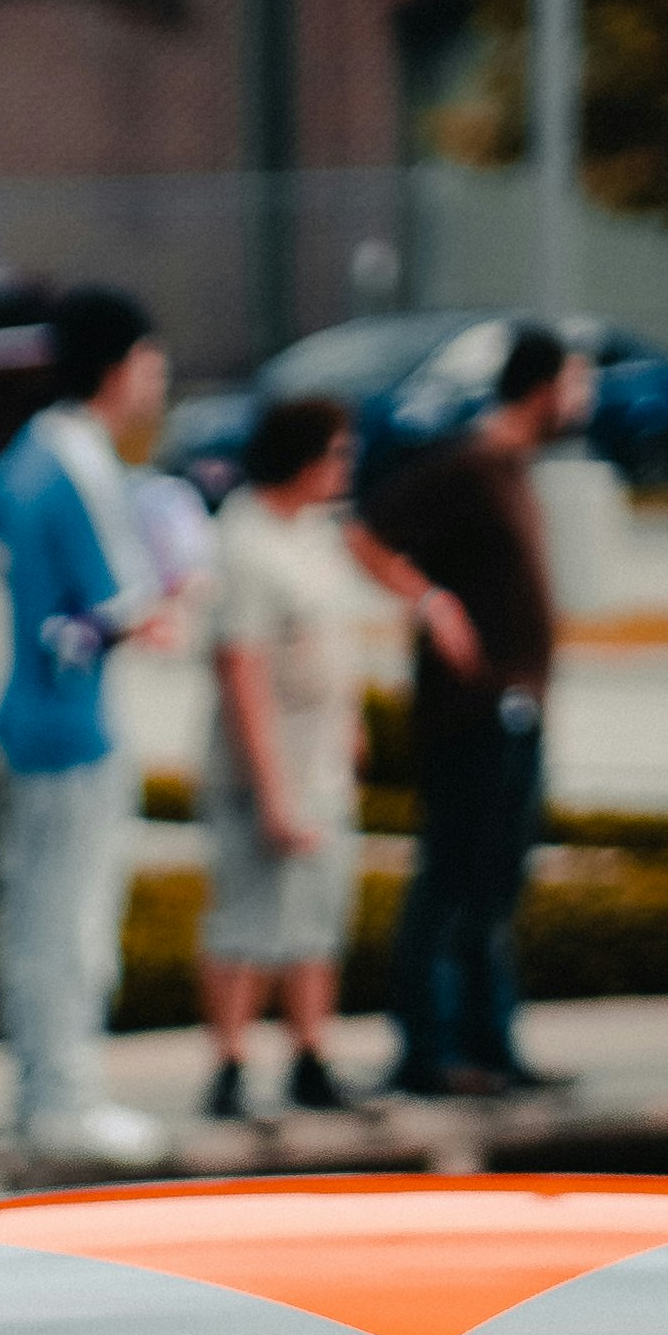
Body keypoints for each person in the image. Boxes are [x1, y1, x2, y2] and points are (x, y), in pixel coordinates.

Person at [0, 283, 180, 1165]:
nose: (158, 383)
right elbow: (127, 601)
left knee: (31, 919)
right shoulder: (79, 462)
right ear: (120, 366)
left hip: (23, 720)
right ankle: (65, 1099)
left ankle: (40, 1090)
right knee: (72, 923)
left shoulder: (25, 454)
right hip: (67, 729)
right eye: (151, 362)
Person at [367, 323, 573, 1097]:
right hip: (469, 713)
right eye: (574, 384)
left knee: (496, 881)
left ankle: (492, 1043)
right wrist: (431, 602)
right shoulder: (465, 463)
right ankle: (429, 1047)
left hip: (516, 709)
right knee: (452, 878)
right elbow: (368, 534)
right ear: (543, 387)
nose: (582, 400)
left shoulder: (513, 467)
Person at [192, 392, 392, 1119]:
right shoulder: (246, 541)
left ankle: (311, 1053)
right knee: (248, 917)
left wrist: (354, 721)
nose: (345, 466)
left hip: (323, 758)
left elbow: (338, 634)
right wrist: (271, 787)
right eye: (336, 452)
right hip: (264, 764)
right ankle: (230, 1064)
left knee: (317, 914)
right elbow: (239, 669)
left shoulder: (315, 530)